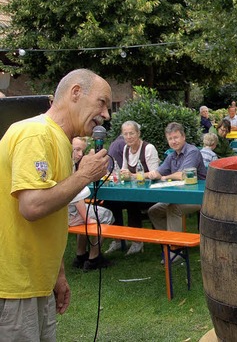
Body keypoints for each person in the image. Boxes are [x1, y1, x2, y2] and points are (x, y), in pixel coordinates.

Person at [0, 68, 111, 340]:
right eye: (102, 103)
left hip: (38, 282)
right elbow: (33, 207)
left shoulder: (60, 140)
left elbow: (52, 213)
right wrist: (83, 175)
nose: (106, 115)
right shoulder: (35, 134)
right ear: (75, 93)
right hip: (14, 285)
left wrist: (58, 275)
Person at [147, 122, 206, 252]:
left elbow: (183, 175)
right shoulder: (172, 155)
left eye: (176, 137)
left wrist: (164, 177)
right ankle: (169, 241)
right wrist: (152, 174)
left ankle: (175, 250)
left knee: (174, 209)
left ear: (183, 137)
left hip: (198, 197)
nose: (173, 141)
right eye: (170, 139)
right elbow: (159, 171)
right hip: (179, 195)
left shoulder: (192, 152)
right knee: (154, 211)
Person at [104, 120, 160, 255]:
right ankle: (117, 239)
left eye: (132, 133)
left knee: (131, 202)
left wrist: (133, 175)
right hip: (134, 190)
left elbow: (155, 173)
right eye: (125, 134)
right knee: (110, 201)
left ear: (138, 133)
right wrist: (118, 174)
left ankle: (137, 241)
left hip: (151, 192)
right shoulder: (126, 149)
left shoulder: (148, 148)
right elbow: (124, 169)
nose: (128, 137)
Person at [69, 137, 115, 271]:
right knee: (107, 215)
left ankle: (80, 255)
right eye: (76, 150)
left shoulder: (68, 163)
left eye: (81, 151)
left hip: (63, 211)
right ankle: (94, 258)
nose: (79, 154)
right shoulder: (69, 166)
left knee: (90, 213)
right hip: (68, 214)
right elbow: (77, 197)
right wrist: (87, 219)